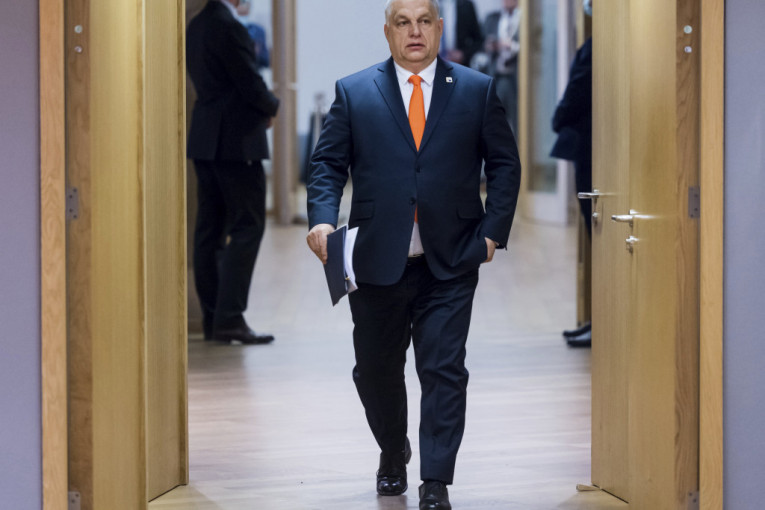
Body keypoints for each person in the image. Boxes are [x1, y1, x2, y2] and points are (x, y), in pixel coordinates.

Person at [306, 0, 521, 508]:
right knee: (374, 370)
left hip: (452, 258)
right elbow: (328, 164)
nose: (415, 31)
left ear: (439, 28)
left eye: (424, 21)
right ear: (388, 32)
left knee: (444, 369)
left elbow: (505, 165)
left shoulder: (475, 89)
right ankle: (392, 449)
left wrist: (492, 234)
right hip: (375, 258)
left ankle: (436, 480)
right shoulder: (355, 91)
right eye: (403, 23)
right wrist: (321, 218)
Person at [186, 0, 279, 345]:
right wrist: (272, 106)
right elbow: (248, 81)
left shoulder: (196, 25)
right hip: (236, 141)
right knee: (248, 225)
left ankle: (214, 318)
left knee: (209, 231)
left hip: (205, 139)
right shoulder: (229, 26)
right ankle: (230, 318)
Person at [550, 0, 593, 347]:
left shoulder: (596, 48)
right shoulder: (596, 46)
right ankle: (597, 319)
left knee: (598, 235)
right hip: (590, 149)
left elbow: (576, 92)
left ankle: (602, 321)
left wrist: (557, 118)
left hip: (593, 151)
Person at [483, 0, 521, 133]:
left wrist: (511, 46)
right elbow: (481, 44)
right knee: (493, 122)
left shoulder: (526, 19)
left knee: (519, 121)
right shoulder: (492, 19)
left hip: (517, 78)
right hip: (497, 77)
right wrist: (490, 46)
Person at [438, 0, 483, 67]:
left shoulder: (466, 6)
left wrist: (463, 54)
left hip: (458, 65)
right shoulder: (425, 6)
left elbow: (478, 40)